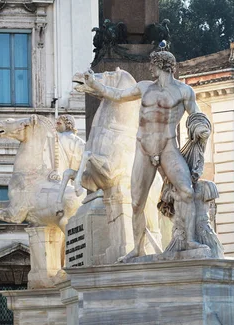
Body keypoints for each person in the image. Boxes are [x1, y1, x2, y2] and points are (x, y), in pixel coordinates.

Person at [83, 50, 208, 260]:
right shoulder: (144, 87)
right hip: (143, 148)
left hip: (168, 147)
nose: (150, 68)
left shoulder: (184, 92)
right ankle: (138, 248)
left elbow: (196, 114)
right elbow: (118, 95)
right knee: (137, 203)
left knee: (186, 190)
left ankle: (190, 240)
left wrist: (201, 128)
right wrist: (94, 85)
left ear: (161, 65)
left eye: (153, 64)